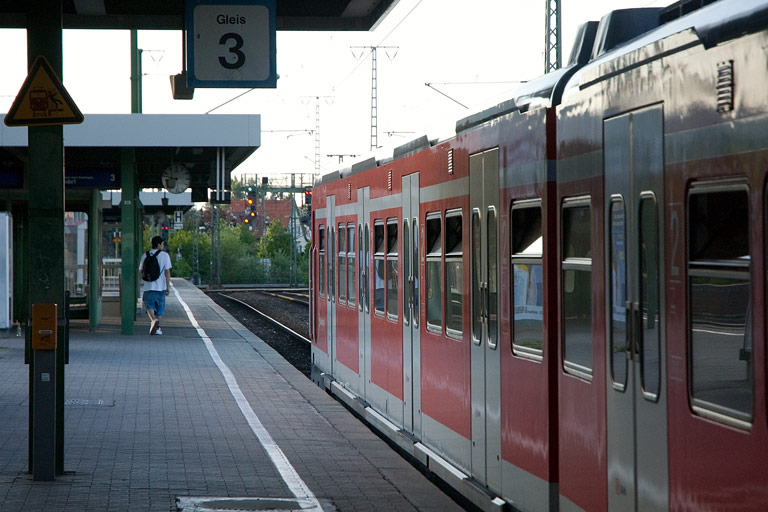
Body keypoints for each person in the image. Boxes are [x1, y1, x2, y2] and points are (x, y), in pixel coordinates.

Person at [139, 236, 172, 335]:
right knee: (160, 309)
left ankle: (153, 321)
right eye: (162, 244)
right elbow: (167, 272)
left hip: (148, 286)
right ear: (158, 244)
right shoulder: (165, 256)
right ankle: (157, 325)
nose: (163, 246)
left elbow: (141, 270)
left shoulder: (145, 255)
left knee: (149, 306)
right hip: (161, 287)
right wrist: (167, 287)